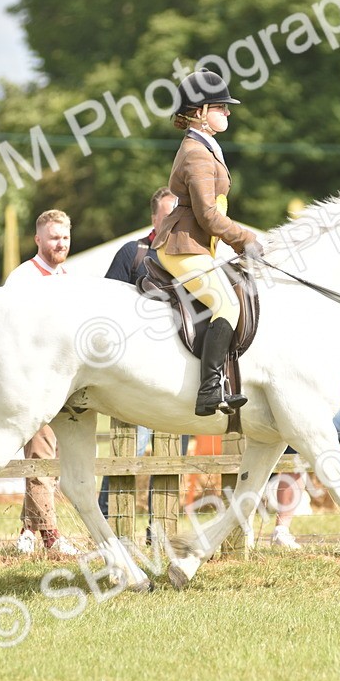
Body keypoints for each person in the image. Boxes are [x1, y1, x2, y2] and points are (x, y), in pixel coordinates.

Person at [152, 67, 265, 417]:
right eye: (221, 106)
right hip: (182, 244)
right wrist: (246, 239)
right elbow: (207, 216)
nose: (228, 112)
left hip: (199, 244)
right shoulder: (197, 153)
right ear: (200, 112)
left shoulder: (205, 146)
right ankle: (209, 390)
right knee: (227, 305)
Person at [99, 186, 191, 528]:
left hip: (178, 376)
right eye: (169, 215)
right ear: (155, 217)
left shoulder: (190, 258)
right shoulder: (132, 253)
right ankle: (108, 521)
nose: (175, 221)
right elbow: (105, 311)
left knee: (170, 458)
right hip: (134, 378)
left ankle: (161, 531)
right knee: (128, 452)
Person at [4, 209, 80, 557]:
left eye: (64, 237)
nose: (60, 243)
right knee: (41, 456)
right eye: (53, 237)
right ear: (38, 239)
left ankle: (26, 530)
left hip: (64, 383)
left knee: (49, 459)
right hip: (34, 382)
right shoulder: (24, 278)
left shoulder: (67, 276)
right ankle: (50, 537)